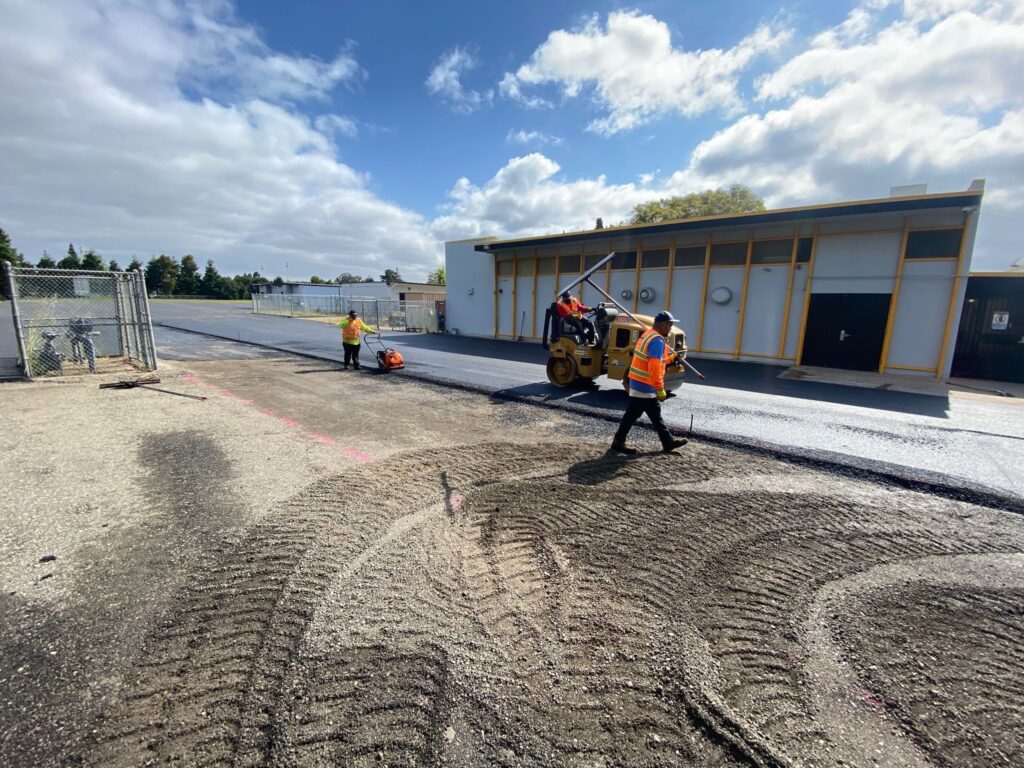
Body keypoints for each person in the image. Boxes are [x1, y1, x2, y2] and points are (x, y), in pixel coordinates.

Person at [612, 310, 688, 454]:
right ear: (663, 324)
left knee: (654, 415)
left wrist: (672, 359)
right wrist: (660, 388)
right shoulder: (657, 341)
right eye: (669, 325)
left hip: (640, 383)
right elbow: (654, 368)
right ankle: (618, 442)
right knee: (632, 415)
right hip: (645, 385)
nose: (670, 328)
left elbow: (657, 361)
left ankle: (667, 442)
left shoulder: (648, 335)